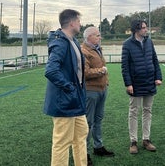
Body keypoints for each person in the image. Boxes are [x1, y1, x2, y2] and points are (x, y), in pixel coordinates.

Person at [44, 9, 88, 166]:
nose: (80, 24)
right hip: (64, 101)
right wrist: (69, 88)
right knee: (62, 143)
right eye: (79, 21)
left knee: (81, 136)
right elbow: (51, 70)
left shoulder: (73, 41)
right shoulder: (59, 41)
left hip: (75, 101)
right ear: (72, 22)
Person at [121, 19, 162, 154]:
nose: (146, 30)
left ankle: (146, 139)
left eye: (146, 27)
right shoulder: (127, 44)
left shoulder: (149, 41)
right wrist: (128, 84)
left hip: (149, 81)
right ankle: (133, 141)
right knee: (133, 112)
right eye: (143, 28)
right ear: (136, 30)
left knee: (147, 111)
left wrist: (158, 77)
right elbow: (125, 67)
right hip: (136, 83)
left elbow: (154, 60)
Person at [81, 26, 115, 166]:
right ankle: (84, 153)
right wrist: (102, 71)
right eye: (97, 35)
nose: (100, 37)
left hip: (101, 90)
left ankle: (98, 147)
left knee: (98, 119)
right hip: (90, 91)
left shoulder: (96, 48)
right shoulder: (83, 51)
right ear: (89, 37)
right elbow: (85, 73)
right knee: (88, 122)